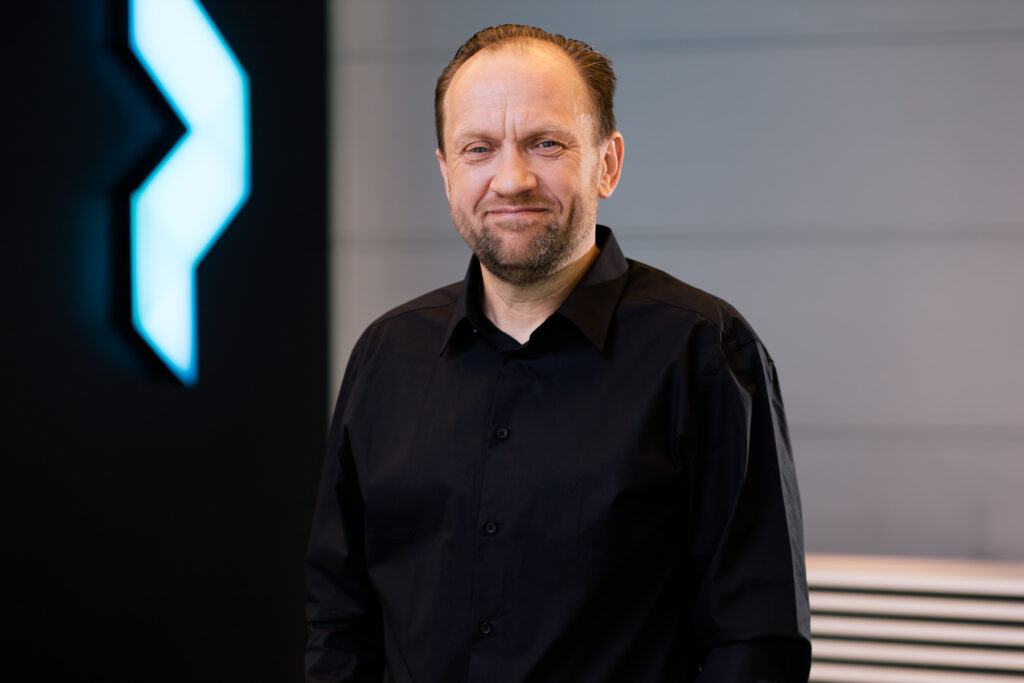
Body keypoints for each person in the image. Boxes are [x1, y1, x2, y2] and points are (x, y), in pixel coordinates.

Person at [306, 24, 811, 683]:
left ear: (608, 163)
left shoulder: (705, 350)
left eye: (545, 143)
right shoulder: (387, 355)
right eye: (478, 149)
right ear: (446, 172)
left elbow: (755, 641)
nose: (511, 179)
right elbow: (340, 617)